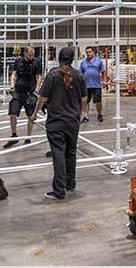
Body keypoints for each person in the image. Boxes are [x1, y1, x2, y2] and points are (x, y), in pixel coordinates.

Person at [30, 47, 87, 200]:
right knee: (71, 152)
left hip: (56, 122)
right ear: (72, 59)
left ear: (58, 58)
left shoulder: (52, 75)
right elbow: (84, 99)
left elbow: (43, 98)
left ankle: (59, 191)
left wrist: (35, 113)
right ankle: (70, 184)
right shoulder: (79, 75)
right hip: (73, 121)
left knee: (59, 154)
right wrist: (79, 114)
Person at [4, 46, 43, 148]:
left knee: (31, 116)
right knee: (12, 114)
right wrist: (12, 86)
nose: (31, 57)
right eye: (29, 55)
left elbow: (39, 77)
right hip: (18, 93)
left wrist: (37, 90)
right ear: (25, 53)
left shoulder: (37, 62)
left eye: (32, 55)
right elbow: (14, 75)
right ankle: (14, 136)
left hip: (30, 93)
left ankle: (28, 138)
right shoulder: (18, 61)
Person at [79, 46, 105, 123]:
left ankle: (99, 114)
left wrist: (103, 80)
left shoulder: (98, 61)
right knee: (86, 101)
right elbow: (81, 73)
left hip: (96, 85)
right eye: (87, 52)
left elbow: (102, 71)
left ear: (93, 52)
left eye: (90, 52)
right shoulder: (83, 62)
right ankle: (85, 116)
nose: (88, 53)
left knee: (98, 101)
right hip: (86, 85)